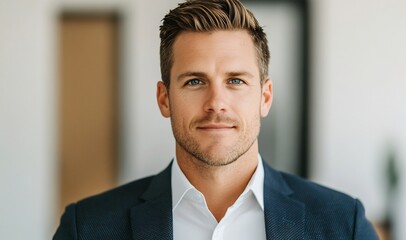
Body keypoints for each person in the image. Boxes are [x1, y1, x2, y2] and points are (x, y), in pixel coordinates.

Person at [53, 0, 378, 239]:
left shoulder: (342, 224)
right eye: (195, 81)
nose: (216, 103)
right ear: (164, 99)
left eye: (235, 80)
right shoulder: (88, 228)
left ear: (265, 97)